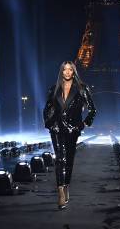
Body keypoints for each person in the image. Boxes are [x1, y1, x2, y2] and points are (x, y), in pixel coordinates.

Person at [43, 61, 96, 209]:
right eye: (64, 69)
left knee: (69, 160)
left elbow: (93, 110)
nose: (67, 72)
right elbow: (47, 108)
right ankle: (60, 191)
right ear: (61, 72)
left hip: (73, 129)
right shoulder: (54, 89)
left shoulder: (82, 88)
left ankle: (66, 186)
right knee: (60, 159)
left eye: (70, 69)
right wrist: (48, 123)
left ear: (74, 71)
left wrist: (83, 124)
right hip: (56, 128)